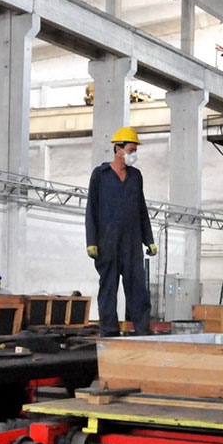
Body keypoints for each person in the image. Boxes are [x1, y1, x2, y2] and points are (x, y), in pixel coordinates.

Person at [85, 126, 157, 336]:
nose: (134, 155)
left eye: (135, 151)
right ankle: (109, 331)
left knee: (137, 289)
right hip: (107, 242)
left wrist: (148, 239)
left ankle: (142, 330)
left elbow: (141, 208)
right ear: (118, 149)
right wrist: (91, 241)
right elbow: (92, 208)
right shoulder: (100, 175)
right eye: (131, 150)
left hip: (132, 242)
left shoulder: (136, 176)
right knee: (108, 288)